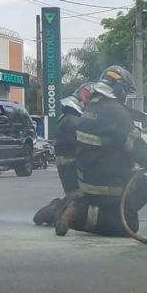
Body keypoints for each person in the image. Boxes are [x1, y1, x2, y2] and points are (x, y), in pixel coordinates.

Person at [54, 66, 147, 237]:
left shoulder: (92, 108)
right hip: (107, 187)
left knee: (146, 185)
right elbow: (135, 145)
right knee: (129, 226)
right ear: (119, 88)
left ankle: (102, 212)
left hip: (89, 182)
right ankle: (80, 215)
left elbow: (113, 144)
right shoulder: (116, 112)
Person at [32, 83, 95, 226]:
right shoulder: (74, 122)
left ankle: (59, 206)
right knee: (83, 211)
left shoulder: (67, 120)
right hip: (79, 183)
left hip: (73, 183)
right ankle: (59, 210)